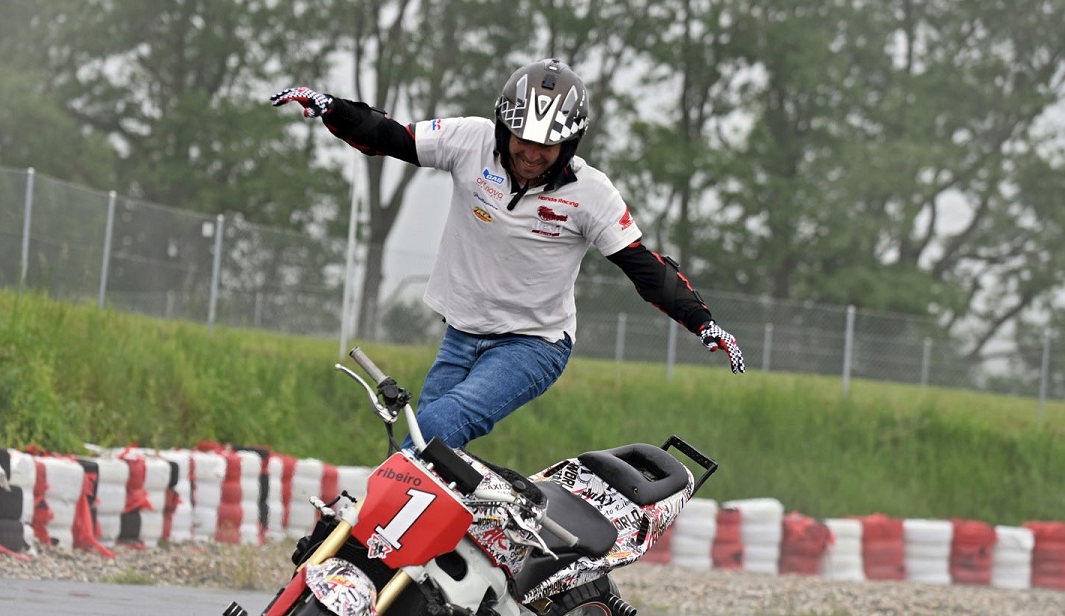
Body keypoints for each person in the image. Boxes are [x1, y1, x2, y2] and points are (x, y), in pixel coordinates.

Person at [272, 58, 744, 450]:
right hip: (461, 334)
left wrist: (703, 322)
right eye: (523, 139)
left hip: (532, 345)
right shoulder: (470, 141)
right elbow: (391, 136)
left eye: (547, 145)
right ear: (504, 126)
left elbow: (644, 268)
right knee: (417, 455)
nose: (532, 154)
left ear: (570, 143)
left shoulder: (591, 193)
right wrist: (332, 108)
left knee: (430, 436)